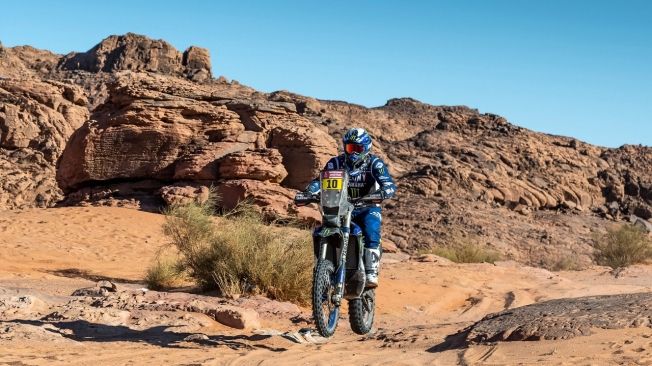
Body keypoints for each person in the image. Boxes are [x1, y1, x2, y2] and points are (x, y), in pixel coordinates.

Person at [304, 127, 397, 287]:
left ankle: (371, 271)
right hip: (340, 207)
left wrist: (382, 193)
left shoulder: (375, 163)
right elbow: (319, 181)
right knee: (321, 231)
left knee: (371, 230)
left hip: (367, 207)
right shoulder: (336, 162)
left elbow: (388, 184)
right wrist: (308, 192)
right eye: (350, 148)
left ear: (366, 148)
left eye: (357, 148)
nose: (353, 152)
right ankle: (322, 270)